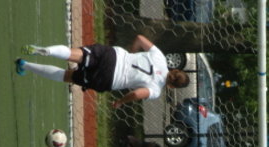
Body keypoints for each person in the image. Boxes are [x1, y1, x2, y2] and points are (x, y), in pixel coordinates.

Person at [15, 35, 190, 108]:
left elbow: (139, 38)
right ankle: (25, 65)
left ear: (175, 69)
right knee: (68, 76)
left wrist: (132, 53)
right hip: (109, 78)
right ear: (172, 87)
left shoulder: (160, 57)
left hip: (114, 56)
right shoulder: (156, 90)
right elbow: (137, 94)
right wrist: (121, 101)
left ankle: (48, 50)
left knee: (75, 54)